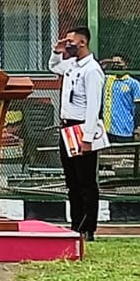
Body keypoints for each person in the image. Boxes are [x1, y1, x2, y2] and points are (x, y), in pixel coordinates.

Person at [50, 26, 105, 242]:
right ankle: (75, 224)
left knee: (86, 181)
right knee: (71, 181)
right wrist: (57, 51)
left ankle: (88, 227)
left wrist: (88, 138)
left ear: (82, 42)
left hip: (82, 128)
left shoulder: (92, 70)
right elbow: (54, 66)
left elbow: (93, 106)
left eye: (70, 42)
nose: (68, 45)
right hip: (66, 128)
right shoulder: (72, 65)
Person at [101, 55, 140, 146]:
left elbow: (139, 108)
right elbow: (97, 69)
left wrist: (136, 126)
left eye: (118, 63)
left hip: (125, 129)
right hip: (107, 130)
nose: (115, 65)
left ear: (126, 65)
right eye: (114, 63)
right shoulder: (107, 80)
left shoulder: (133, 83)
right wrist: (107, 61)